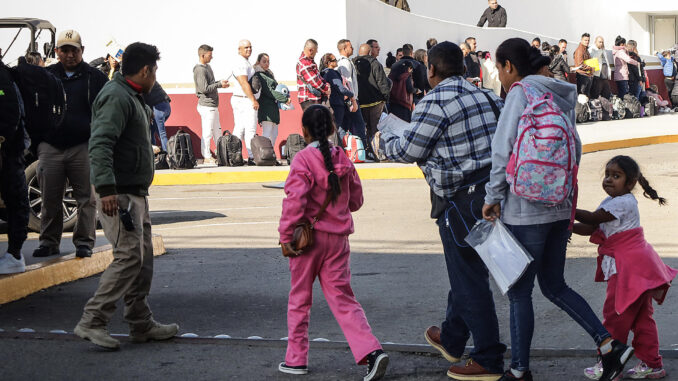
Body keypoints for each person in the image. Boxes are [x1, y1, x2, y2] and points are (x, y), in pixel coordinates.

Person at [481, 37, 633, 381]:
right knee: (553, 285)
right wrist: (562, 196)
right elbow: (575, 150)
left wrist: (492, 196)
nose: (502, 78)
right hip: (559, 206)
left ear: (509, 66)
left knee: (520, 293)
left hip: (525, 209)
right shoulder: (560, 93)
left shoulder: (520, 93)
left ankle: (519, 371)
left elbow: (502, 150)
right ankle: (610, 346)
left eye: (501, 70)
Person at [381, 41, 506, 381]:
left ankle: (489, 358)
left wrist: (386, 139)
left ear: (432, 71)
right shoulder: (487, 96)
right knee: (467, 270)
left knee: (469, 278)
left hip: (461, 199)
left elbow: (408, 150)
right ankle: (452, 337)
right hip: (494, 193)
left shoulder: (433, 101)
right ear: (464, 68)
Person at [75, 42, 179, 350]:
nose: (155, 76)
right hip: (118, 195)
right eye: (155, 70)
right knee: (129, 256)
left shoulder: (132, 95)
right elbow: (101, 144)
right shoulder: (116, 96)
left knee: (142, 259)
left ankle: (140, 323)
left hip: (134, 192)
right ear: (146, 70)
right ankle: (93, 320)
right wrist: (106, 190)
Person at [277, 104, 389, 381]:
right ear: (331, 129)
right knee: (343, 299)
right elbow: (356, 202)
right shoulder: (344, 159)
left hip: (307, 242)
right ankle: (371, 351)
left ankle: (296, 359)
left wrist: (285, 236)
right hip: (338, 241)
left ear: (303, 131)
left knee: (300, 300)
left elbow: (294, 203)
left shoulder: (302, 160)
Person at [574, 155, 676, 380]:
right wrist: (567, 225)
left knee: (615, 316)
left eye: (616, 176)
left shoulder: (623, 202)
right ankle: (652, 364)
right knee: (641, 319)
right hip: (637, 267)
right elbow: (591, 226)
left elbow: (592, 218)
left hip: (626, 270)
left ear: (630, 183)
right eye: (607, 175)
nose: (609, 180)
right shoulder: (612, 202)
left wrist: (566, 208)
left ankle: (610, 365)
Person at [34, 30, 108, 259]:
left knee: (86, 198)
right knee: (50, 198)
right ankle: (48, 242)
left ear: (82, 51)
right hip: (51, 146)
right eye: (64, 50)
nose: (69, 55)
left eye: (73, 50)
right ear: (57, 52)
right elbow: (34, 108)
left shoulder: (94, 77)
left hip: (82, 146)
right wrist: (39, 140)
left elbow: (105, 109)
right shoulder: (46, 76)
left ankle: (84, 242)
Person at [0, 58, 29, 274]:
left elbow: (10, 112)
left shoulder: (3, 77)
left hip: (9, 151)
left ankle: (14, 254)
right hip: (10, 150)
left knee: (15, 200)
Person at [193, 44, 229, 164]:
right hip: (206, 106)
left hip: (213, 105)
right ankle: (207, 156)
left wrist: (220, 83)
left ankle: (221, 154)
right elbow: (204, 88)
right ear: (202, 55)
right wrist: (219, 85)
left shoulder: (208, 67)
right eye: (210, 55)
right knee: (207, 132)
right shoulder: (200, 70)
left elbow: (211, 84)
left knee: (217, 131)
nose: (212, 57)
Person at [355, 43, 391, 157]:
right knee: (375, 129)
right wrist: (385, 97)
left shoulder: (353, 63)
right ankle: (376, 152)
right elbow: (382, 82)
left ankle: (366, 151)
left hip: (360, 102)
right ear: (370, 52)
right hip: (376, 102)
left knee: (364, 128)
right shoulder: (375, 63)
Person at [251, 53, 289, 150]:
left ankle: (270, 154)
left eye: (268, 61)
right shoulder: (259, 75)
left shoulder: (269, 74)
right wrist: (284, 99)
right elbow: (269, 91)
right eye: (264, 61)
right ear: (258, 62)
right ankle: (265, 154)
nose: (267, 64)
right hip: (265, 107)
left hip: (273, 107)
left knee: (274, 134)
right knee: (267, 133)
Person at [337, 39, 369, 150]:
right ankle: (362, 150)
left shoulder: (343, 61)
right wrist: (353, 100)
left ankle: (342, 149)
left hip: (348, 99)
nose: (353, 49)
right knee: (358, 124)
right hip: (350, 100)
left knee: (344, 126)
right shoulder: (344, 62)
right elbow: (347, 82)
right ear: (344, 48)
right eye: (350, 47)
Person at [231, 39, 259, 164]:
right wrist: (253, 99)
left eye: (250, 47)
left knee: (239, 128)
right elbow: (243, 82)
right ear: (239, 49)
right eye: (246, 47)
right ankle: (252, 156)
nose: (249, 49)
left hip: (239, 99)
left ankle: (234, 155)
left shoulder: (243, 62)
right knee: (250, 129)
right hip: (245, 100)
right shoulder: (241, 63)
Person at [319, 53, 354, 141]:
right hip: (337, 104)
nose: (337, 61)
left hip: (328, 104)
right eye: (334, 60)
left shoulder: (323, 73)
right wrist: (351, 94)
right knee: (336, 130)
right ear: (329, 63)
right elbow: (341, 89)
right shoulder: (332, 73)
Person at [296, 39, 331, 111]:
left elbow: (318, 77)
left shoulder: (309, 62)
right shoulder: (304, 63)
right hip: (309, 99)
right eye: (316, 50)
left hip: (312, 98)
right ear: (311, 50)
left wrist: (326, 85)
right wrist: (326, 88)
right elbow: (314, 81)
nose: (317, 52)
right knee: (313, 121)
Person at [143, 82, 171, 151]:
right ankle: (153, 153)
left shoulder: (141, 82)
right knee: (152, 130)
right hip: (167, 106)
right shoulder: (150, 79)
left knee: (161, 133)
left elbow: (143, 100)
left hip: (158, 107)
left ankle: (167, 154)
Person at [574, 33, 594, 97]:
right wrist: (591, 68)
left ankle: (585, 107)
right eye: (585, 40)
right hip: (582, 75)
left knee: (586, 95)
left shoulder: (585, 49)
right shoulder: (580, 50)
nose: (587, 42)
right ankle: (581, 107)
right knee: (582, 96)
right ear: (581, 40)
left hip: (587, 75)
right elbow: (580, 64)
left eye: (588, 40)